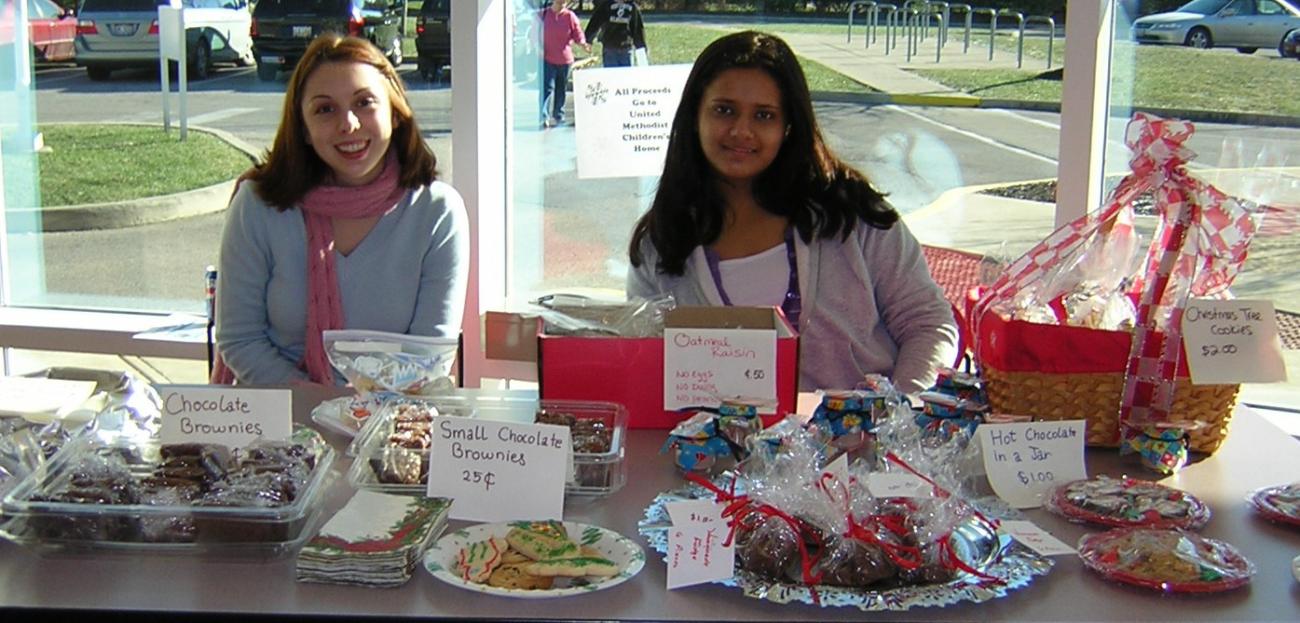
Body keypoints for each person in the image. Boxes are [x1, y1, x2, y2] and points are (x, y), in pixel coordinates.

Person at [626, 31, 957, 394]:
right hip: (710, 451)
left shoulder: (854, 215)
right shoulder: (660, 243)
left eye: (764, 115)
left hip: (864, 447)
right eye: (724, 110)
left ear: (788, 127)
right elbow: (647, 367)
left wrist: (898, 414)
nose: (741, 131)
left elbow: (928, 325)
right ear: (693, 116)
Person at [213, 33, 469, 385]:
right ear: (303, 128)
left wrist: (356, 418)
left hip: (395, 419)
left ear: (395, 113)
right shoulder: (258, 206)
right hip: (279, 419)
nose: (348, 124)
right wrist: (322, 410)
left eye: (365, 103)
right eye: (325, 109)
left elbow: (429, 356)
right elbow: (240, 340)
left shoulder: (438, 211)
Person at [540, 0, 591, 128]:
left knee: (561, 88)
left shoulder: (570, 16)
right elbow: (534, 34)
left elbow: (578, 34)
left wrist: (583, 43)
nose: (562, 4)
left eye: (564, 2)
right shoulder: (543, 15)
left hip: (565, 59)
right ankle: (543, 116)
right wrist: (537, 48)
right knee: (547, 88)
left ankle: (558, 115)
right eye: (559, 2)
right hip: (547, 58)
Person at [584, 0, 647, 68]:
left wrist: (641, 47)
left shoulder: (632, 7)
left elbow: (637, 29)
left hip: (626, 48)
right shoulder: (607, 5)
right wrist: (588, 40)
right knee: (611, 75)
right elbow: (595, 22)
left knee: (626, 76)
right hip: (610, 47)